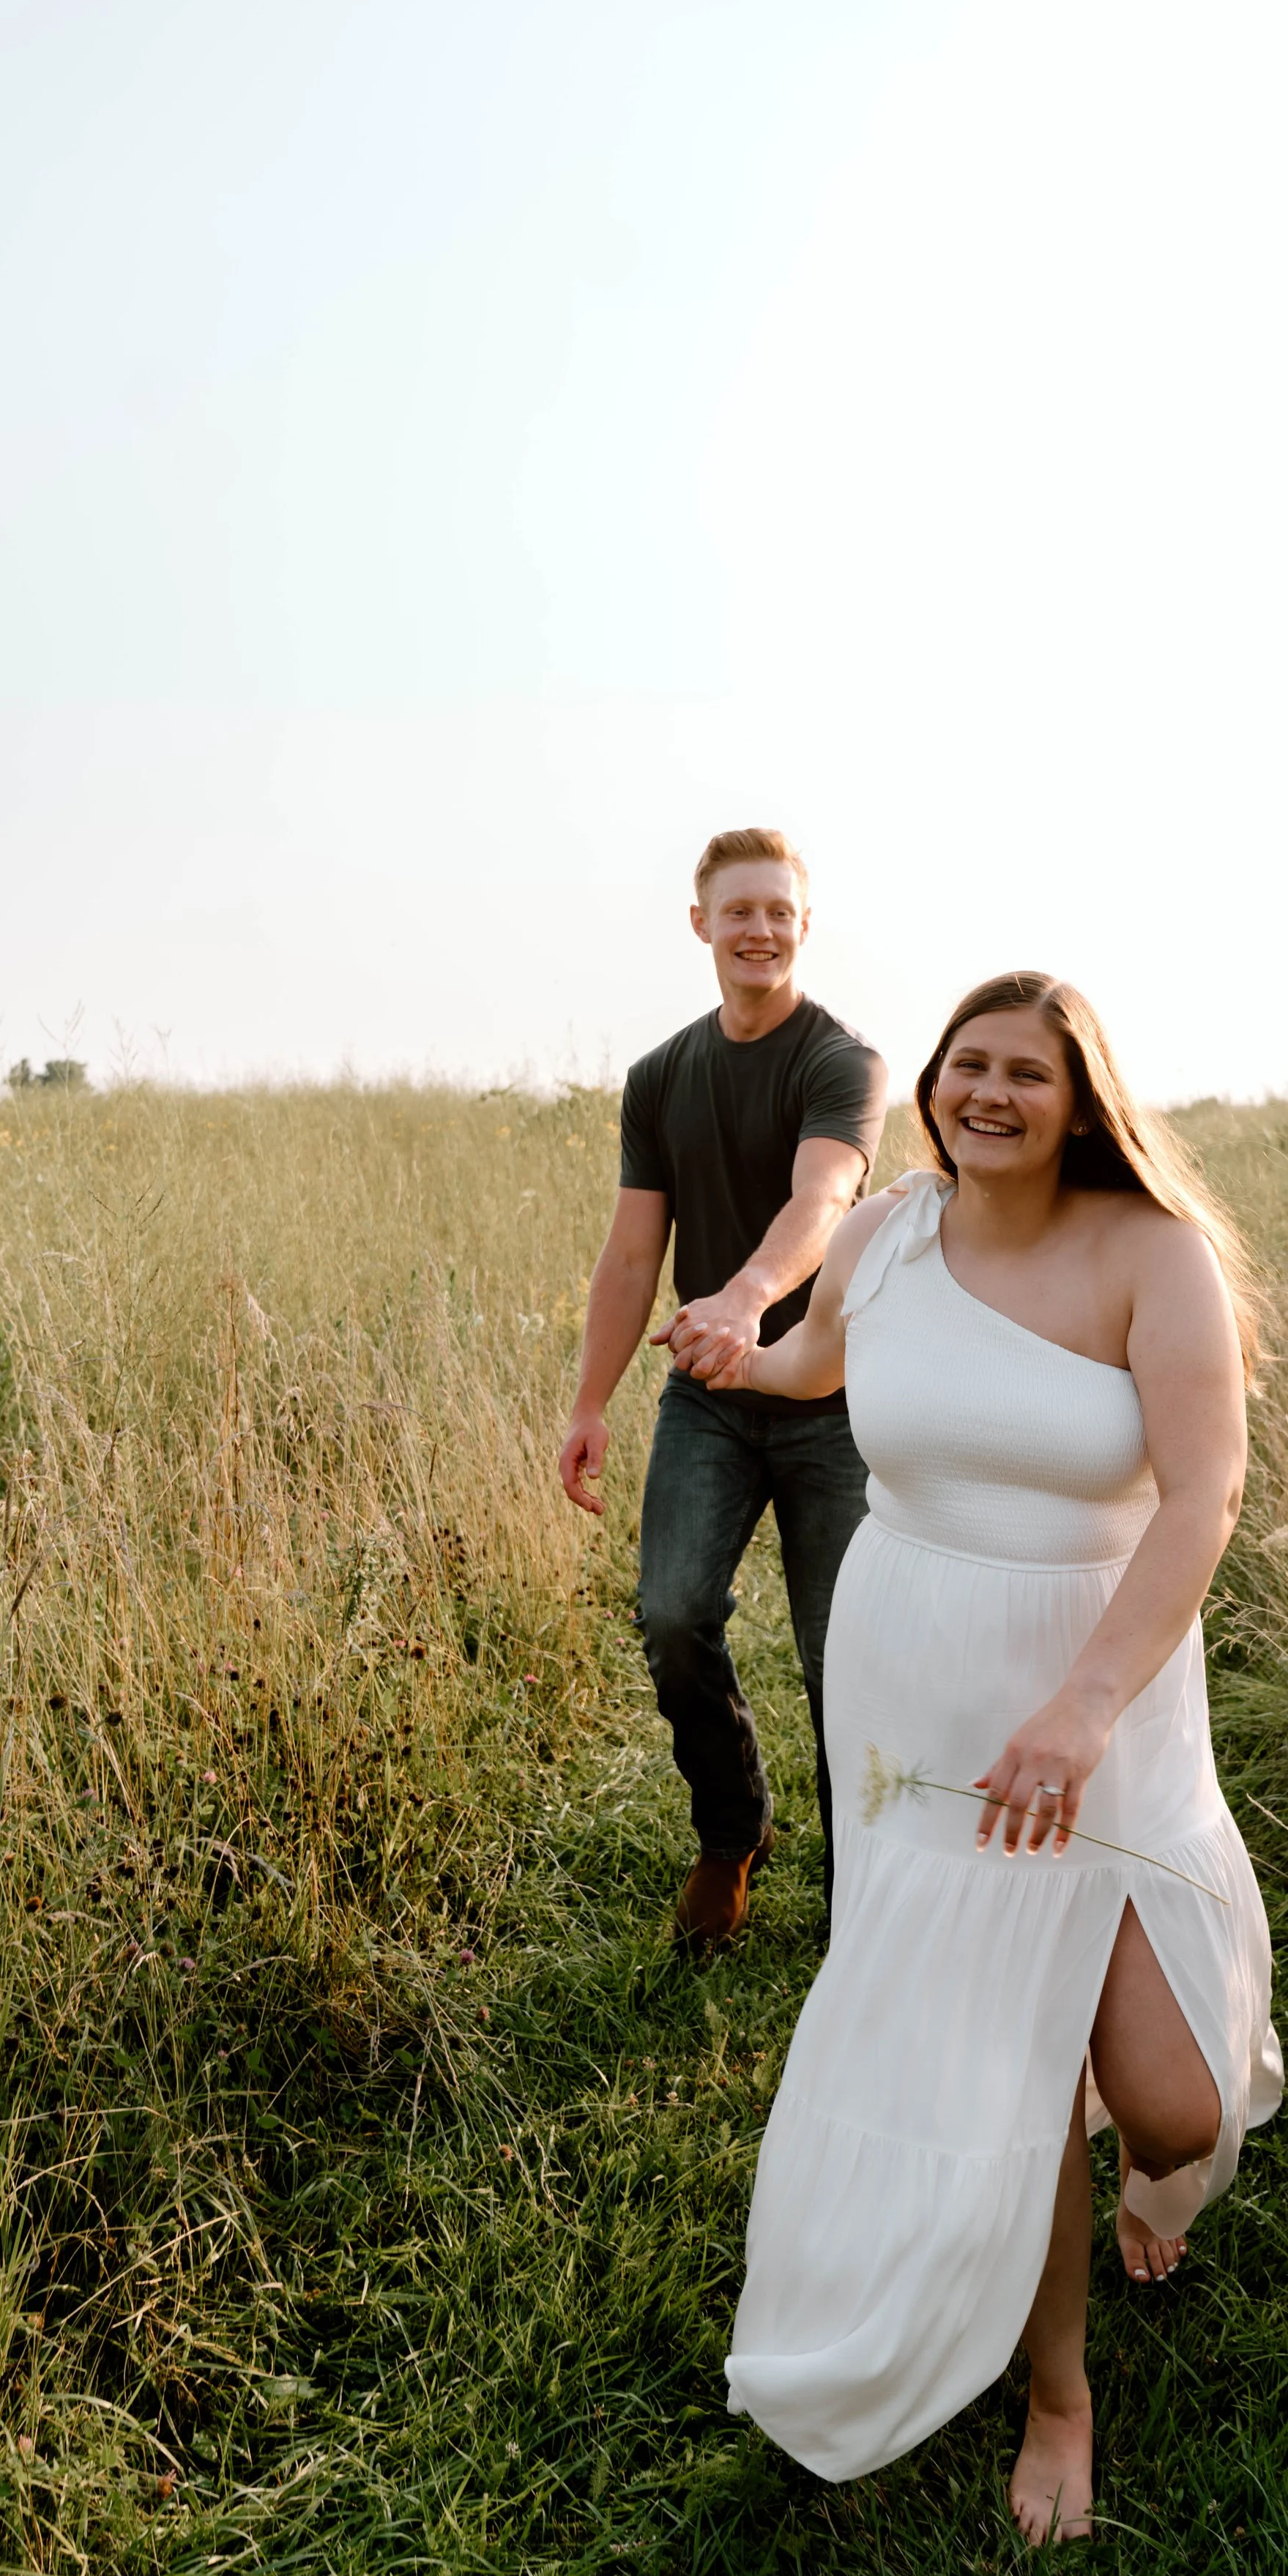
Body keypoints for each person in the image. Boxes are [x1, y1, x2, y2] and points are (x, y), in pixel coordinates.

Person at [715, 971, 1284, 2541]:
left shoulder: (1149, 1254)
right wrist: (733, 1352)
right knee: (1008, 2050)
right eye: (964, 1064)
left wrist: (1088, 1701)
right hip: (918, 1671)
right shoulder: (890, 1233)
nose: (986, 1091)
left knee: (1170, 2111)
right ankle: (1056, 2390)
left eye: (1023, 1070)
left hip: (1101, 1672)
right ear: (932, 1088)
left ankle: (1130, 2156)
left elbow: (1201, 1498)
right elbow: (820, 1361)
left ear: (1076, 1095)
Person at [558, 828, 887, 1946]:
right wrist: (592, 1403)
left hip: (832, 1393)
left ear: (804, 926)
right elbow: (630, 1254)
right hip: (708, 1396)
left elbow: (825, 1198)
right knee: (675, 1617)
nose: (759, 930)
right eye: (737, 910)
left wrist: (747, 1295)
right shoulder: (660, 1077)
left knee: (843, 1658)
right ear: (700, 924)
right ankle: (733, 1827)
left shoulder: (842, 1063)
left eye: (779, 912)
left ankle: (867, 1910)